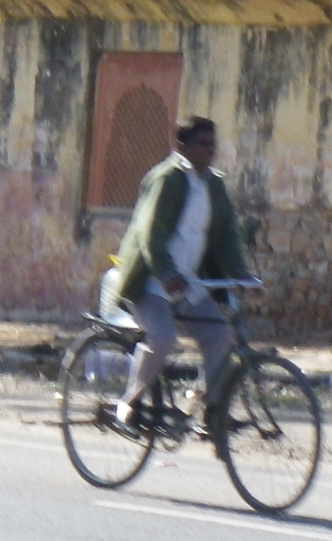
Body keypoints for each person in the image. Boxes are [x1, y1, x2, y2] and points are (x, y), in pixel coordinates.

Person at [100, 115, 252, 428]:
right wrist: (167, 274)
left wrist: (242, 275)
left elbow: (226, 234)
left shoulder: (213, 185)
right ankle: (129, 402)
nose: (209, 151)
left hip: (188, 283)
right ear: (181, 145)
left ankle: (204, 407)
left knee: (221, 335)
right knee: (163, 338)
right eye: (202, 144)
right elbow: (150, 232)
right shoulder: (166, 179)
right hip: (151, 283)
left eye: (212, 145)